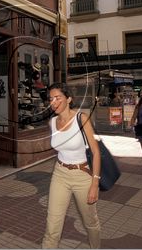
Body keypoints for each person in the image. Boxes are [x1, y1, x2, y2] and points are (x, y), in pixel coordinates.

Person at [42, 83, 101, 249]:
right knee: (52, 224)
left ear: (68, 99)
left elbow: (96, 153)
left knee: (90, 221)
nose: (53, 102)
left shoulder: (81, 119)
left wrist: (95, 184)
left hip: (82, 175)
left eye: (57, 98)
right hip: (60, 173)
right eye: (51, 99)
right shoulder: (52, 122)